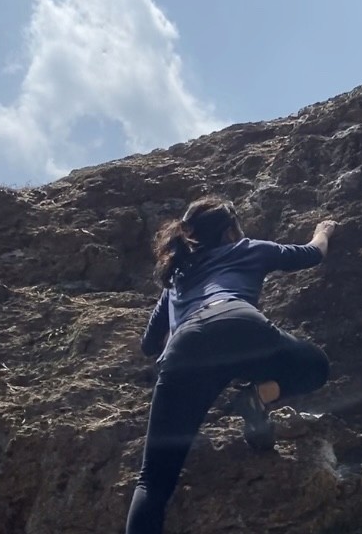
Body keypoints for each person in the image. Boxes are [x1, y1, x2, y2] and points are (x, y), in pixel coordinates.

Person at [126, 196, 337, 534]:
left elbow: (149, 344)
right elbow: (312, 254)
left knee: (153, 481)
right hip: (241, 326)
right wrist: (322, 230)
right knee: (315, 367)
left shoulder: (178, 276)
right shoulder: (248, 248)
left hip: (186, 351)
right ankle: (259, 396)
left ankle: (255, 397)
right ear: (228, 232)